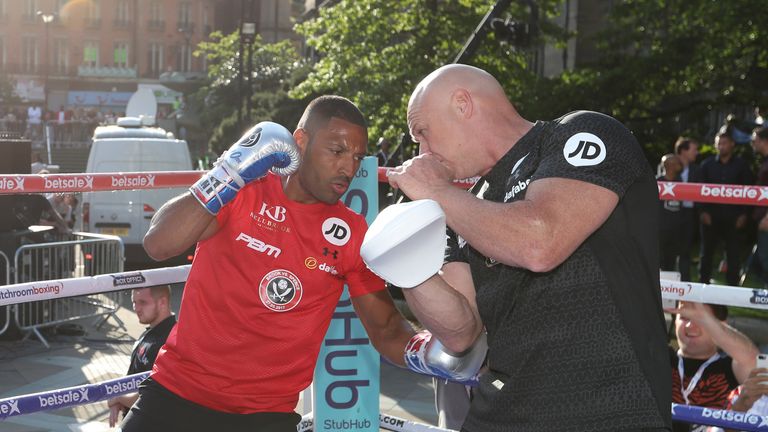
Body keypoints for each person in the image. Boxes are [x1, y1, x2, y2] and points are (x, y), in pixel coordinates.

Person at [120, 96, 444, 432]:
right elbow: (159, 244)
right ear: (300, 141)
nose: (349, 168)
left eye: (357, 157)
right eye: (337, 151)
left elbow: (386, 327)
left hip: (265, 416)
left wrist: (431, 353)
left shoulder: (350, 234)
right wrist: (228, 171)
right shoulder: (244, 190)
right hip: (177, 393)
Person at [386, 64, 671, 430]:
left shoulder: (579, 133)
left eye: (422, 132)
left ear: (462, 103)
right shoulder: (469, 206)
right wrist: (404, 259)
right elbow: (459, 331)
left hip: (608, 410)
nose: (422, 151)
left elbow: (540, 242)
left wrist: (437, 192)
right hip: (504, 410)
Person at [667, 301, 758, 432]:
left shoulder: (730, 366)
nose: (690, 325)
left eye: (700, 319)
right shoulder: (661, 358)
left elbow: (752, 360)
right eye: (684, 317)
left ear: (722, 325)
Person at [107, 286, 176, 427]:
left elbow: (153, 396)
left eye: (143, 302)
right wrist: (120, 398)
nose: (136, 308)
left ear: (162, 302)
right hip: (139, 419)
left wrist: (118, 398)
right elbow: (134, 376)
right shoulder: (151, 332)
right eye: (134, 302)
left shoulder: (169, 341)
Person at [698, 132, 754, 286]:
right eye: (719, 143)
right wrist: (703, 212)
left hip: (733, 218)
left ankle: (732, 289)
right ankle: (703, 286)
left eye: (725, 143)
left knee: (733, 255)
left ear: (732, 145)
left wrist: (744, 215)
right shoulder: (707, 165)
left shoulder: (742, 166)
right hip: (711, 218)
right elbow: (699, 190)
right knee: (706, 254)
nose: (721, 146)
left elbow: (749, 190)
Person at [675, 137, 701, 281]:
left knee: (685, 250)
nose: (696, 153)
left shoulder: (697, 170)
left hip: (689, 215)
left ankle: (685, 286)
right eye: (694, 150)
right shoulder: (668, 165)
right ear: (683, 151)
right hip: (671, 214)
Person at [658, 154, 685, 272]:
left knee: (672, 260)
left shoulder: (680, 182)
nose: (680, 166)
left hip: (676, 229)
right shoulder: (657, 182)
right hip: (660, 229)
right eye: (677, 163)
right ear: (670, 165)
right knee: (659, 260)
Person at [751, 127, 768, 287]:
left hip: (766, 219)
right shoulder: (764, 160)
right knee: (756, 263)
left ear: (764, 141)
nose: (752, 143)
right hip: (761, 217)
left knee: (764, 261)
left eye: (755, 140)